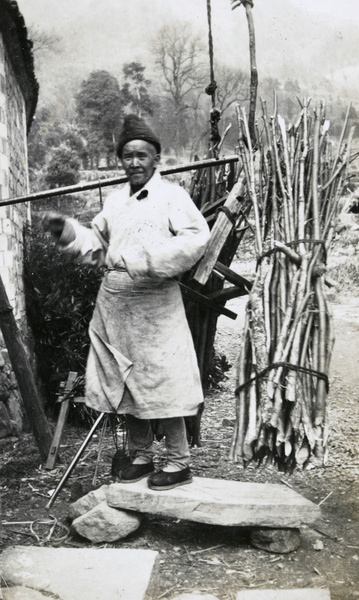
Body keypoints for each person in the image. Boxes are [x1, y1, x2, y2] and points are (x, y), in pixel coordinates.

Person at [43, 114, 210, 491]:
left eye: (142, 156)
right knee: (127, 380)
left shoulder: (172, 197)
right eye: (128, 156)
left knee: (162, 381)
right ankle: (142, 455)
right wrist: (68, 232)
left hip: (155, 303)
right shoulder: (116, 202)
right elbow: (96, 245)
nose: (134, 162)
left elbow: (195, 240)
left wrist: (146, 260)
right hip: (115, 305)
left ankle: (179, 461)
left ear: (156, 160)